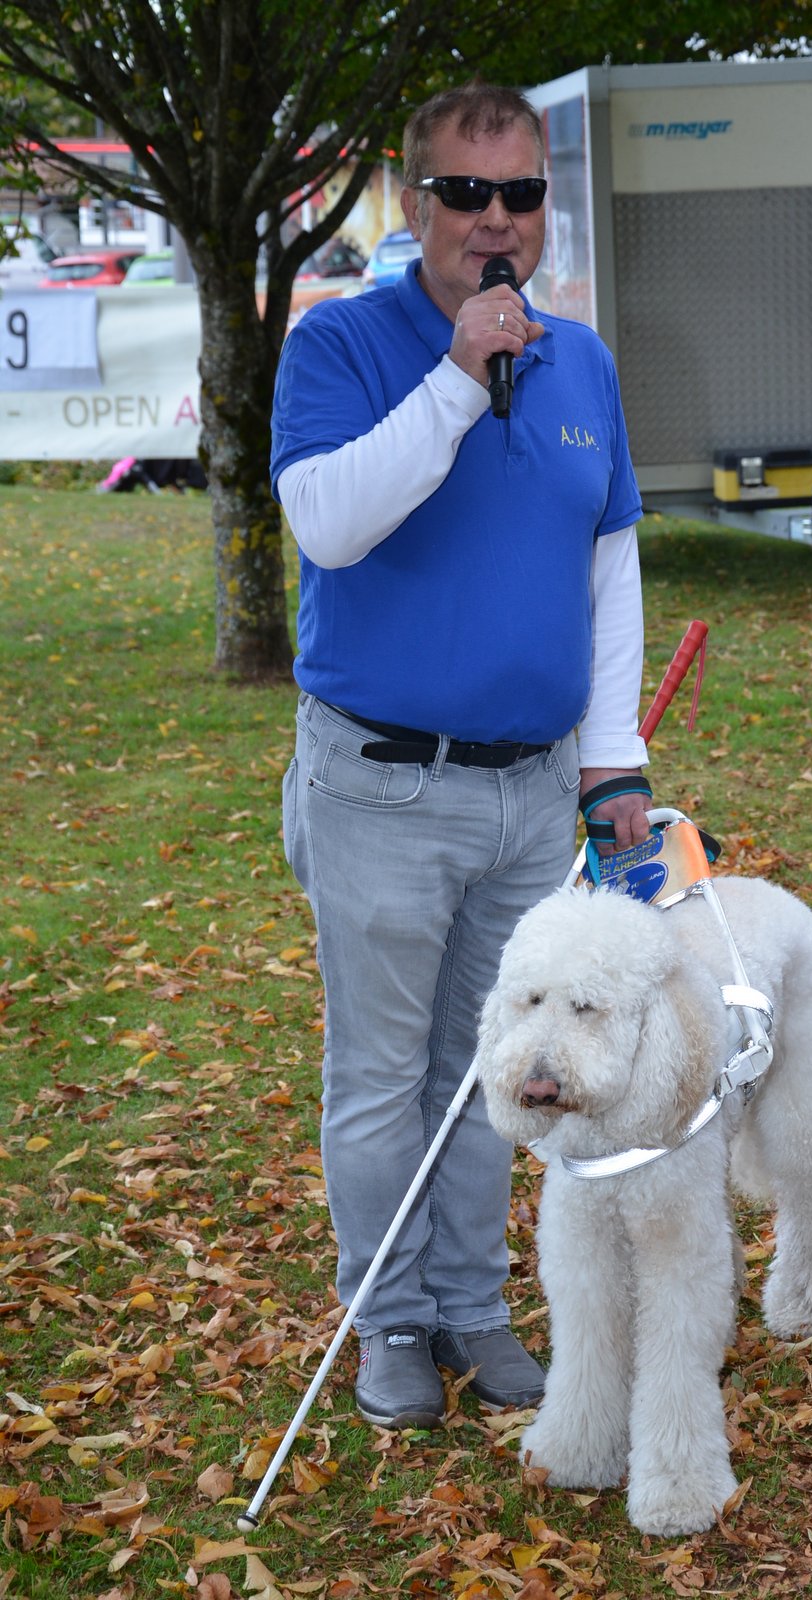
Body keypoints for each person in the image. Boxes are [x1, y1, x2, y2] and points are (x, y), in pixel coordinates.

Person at [270, 80, 652, 1430]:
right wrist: (451, 381)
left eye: (522, 195)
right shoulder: (343, 347)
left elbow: (610, 569)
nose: (496, 223)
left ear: (548, 201)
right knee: (380, 1079)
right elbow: (329, 524)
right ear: (413, 200)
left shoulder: (584, 363)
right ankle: (388, 1324)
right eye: (465, 194)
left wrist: (615, 766)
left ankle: (475, 1308)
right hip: (380, 785)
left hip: (531, 794)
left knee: (499, 1072)